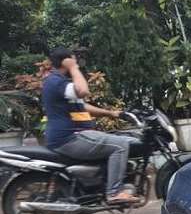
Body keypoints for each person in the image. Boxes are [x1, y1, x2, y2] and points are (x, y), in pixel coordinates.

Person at [42, 48, 139, 204]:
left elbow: (82, 106)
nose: (78, 64)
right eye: (74, 60)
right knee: (120, 145)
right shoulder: (56, 81)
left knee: (116, 138)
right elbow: (83, 91)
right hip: (69, 138)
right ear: (66, 61)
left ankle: (103, 185)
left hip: (73, 135)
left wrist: (110, 113)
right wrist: (73, 68)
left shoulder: (59, 82)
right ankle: (114, 192)